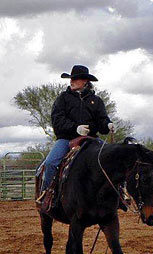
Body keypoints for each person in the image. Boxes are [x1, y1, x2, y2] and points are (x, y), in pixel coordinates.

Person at [37, 65, 115, 203]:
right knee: (50, 163)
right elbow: (57, 120)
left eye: (75, 79)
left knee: (113, 158)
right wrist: (75, 129)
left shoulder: (96, 101)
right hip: (66, 140)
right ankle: (47, 194)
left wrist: (107, 125)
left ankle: (119, 193)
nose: (71, 81)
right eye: (71, 78)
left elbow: (102, 120)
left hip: (91, 139)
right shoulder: (63, 98)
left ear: (84, 81)